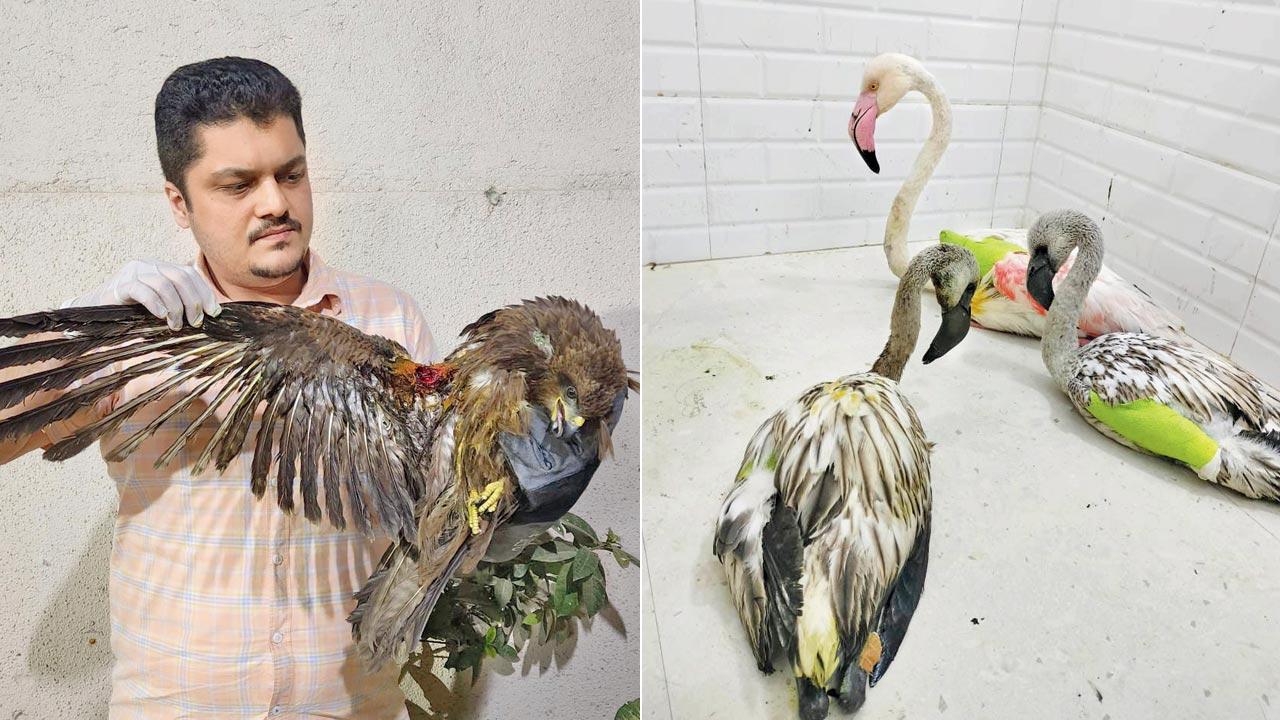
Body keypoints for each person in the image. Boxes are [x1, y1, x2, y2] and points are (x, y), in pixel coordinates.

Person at [0, 57, 432, 719]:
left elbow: (440, 504)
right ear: (180, 202)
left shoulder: (388, 320)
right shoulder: (136, 332)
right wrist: (88, 330)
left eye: (291, 174)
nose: (276, 204)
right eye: (237, 184)